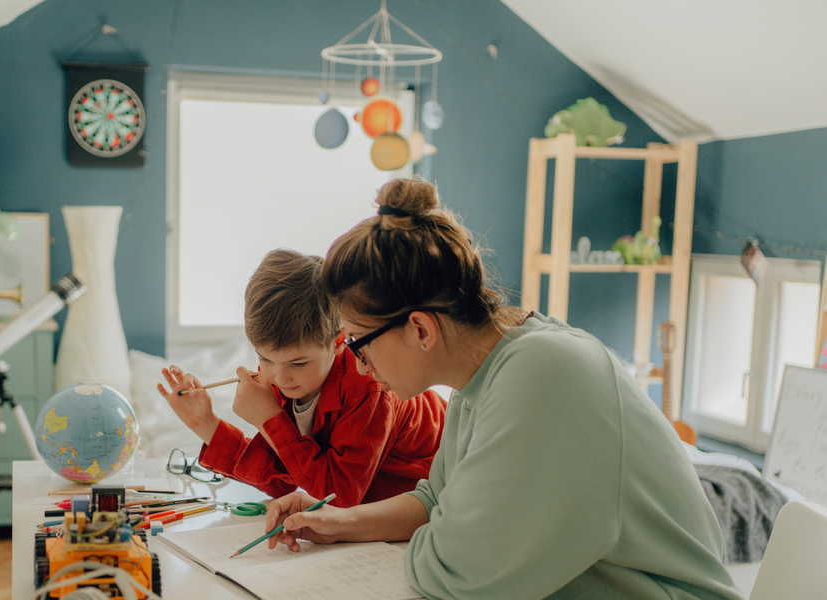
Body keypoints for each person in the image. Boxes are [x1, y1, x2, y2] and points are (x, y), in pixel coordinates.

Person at [264, 179, 743, 600]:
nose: (359, 364)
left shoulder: (543, 373)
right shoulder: (480, 380)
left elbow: (457, 573)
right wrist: (338, 521)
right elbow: (434, 501)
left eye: (359, 342)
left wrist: (443, 528)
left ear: (420, 330)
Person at [158, 248, 447, 508]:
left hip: (445, 486)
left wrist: (269, 420)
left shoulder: (369, 388)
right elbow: (282, 479)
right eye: (264, 358)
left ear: (338, 341)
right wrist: (205, 423)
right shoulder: (291, 380)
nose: (279, 377)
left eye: (298, 362)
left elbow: (339, 497)